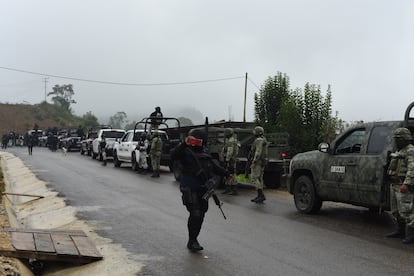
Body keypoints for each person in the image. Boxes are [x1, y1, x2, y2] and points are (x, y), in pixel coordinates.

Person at [171, 135, 229, 252]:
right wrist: (184, 143)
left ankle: (194, 238)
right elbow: (174, 155)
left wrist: (228, 174)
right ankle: (192, 240)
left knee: (201, 214)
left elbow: (215, 168)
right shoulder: (185, 152)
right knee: (195, 213)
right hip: (189, 188)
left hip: (203, 190)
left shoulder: (205, 153)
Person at [386, 127, 414, 244]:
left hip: (403, 185)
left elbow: (412, 169)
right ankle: (400, 231)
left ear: (405, 139)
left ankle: (411, 235)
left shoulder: (410, 150)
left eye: (399, 139)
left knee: (407, 211)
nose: (397, 141)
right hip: (395, 184)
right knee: (396, 211)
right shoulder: (400, 150)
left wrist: (406, 184)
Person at [249, 126, 268, 204]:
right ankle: (259, 195)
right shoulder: (263, 139)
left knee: (254, 178)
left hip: (258, 161)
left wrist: (254, 161)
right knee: (259, 178)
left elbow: (258, 151)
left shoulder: (258, 140)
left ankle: (261, 195)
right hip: (262, 161)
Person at [221, 128, 240, 195]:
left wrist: (227, 160)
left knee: (231, 174)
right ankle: (228, 188)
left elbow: (230, 151)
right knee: (228, 173)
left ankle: (234, 189)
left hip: (230, 160)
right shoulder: (232, 140)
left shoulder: (231, 141)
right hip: (231, 159)